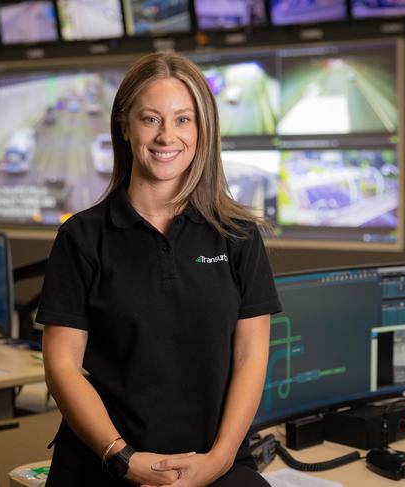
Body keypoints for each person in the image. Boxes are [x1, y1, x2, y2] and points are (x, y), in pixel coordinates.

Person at [37, 52, 281, 487]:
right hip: (105, 463)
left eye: (183, 120)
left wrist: (220, 459)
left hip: (214, 461)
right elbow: (61, 367)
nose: (167, 135)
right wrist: (122, 457)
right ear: (124, 126)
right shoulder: (81, 238)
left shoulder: (239, 235)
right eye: (151, 119)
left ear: (202, 130)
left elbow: (250, 356)